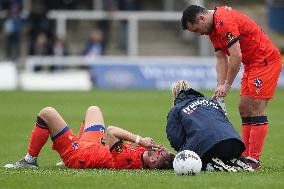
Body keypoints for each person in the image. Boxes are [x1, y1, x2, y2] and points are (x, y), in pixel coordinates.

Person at [181, 5, 283, 169]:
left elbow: (235, 56)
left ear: (201, 18)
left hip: (265, 61)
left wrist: (228, 84)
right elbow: (221, 58)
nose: (199, 34)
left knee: (256, 107)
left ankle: (254, 159)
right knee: (243, 107)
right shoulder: (212, 28)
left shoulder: (224, 21)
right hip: (252, 64)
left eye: (196, 30)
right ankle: (245, 155)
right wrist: (220, 86)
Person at [4, 106, 174, 170]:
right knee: (93, 110)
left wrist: (139, 139)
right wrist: (142, 144)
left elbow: (112, 131)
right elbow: (115, 142)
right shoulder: (143, 155)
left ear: (153, 161)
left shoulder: (128, 160)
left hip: (78, 155)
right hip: (93, 146)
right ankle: (76, 143)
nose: (158, 148)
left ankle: (29, 160)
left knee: (47, 113)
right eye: (162, 148)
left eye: (160, 153)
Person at [166, 80, 253, 172]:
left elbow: (175, 139)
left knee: (186, 155)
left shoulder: (176, 109)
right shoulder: (210, 101)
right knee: (218, 144)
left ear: (175, 95)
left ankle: (211, 164)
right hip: (235, 142)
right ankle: (234, 159)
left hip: (210, 147)